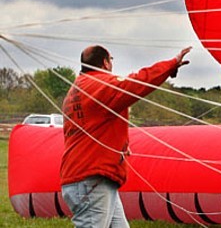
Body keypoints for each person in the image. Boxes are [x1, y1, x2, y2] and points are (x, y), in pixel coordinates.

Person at [60, 45, 191, 228]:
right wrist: (170, 65)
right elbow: (136, 84)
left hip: (90, 180)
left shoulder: (77, 90)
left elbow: (91, 128)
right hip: (92, 181)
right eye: (111, 60)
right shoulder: (101, 86)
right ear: (105, 63)